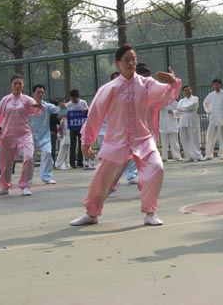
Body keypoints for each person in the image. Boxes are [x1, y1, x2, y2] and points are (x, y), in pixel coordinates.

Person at [70, 44, 181, 226]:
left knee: (156, 168)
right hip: (116, 141)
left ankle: (150, 212)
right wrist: (87, 141)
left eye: (134, 59)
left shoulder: (146, 84)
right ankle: (91, 214)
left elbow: (165, 94)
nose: (131, 63)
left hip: (143, 140)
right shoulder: (110, 88)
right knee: (101, 179)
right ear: (118, 63)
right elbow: (95, 114)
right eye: (127, 60)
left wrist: (172, 82)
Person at [0, 74, 44, 196]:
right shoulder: (5, 100)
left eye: (20, 84)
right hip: (8, 134)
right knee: (6, 162)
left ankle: (25, 185)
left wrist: (39, 106)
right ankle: (4, 186)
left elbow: (36, 111)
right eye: (15, 83)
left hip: (24, 133)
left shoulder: (27, 100)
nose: (18, 86)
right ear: (11, 85)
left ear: (23, 86)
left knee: (29, 157)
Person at [28, 84, 66, 184]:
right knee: (29, 158)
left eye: (42, 92)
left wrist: (63, 107)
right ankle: (27, 178)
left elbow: (59, 110)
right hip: (30, 136)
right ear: (33, 93)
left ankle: (47, 177)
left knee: (48, 153)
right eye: (38, 92)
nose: (40, 94)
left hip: (44, 137)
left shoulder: (47, 106)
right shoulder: (27, 105)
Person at [203, 78, 223, 160]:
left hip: (222, 118)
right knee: (210, 136)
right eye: (214, 84)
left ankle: (222, 154)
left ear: (221, 85)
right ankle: (208, 154)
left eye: (217, 84)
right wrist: (208, 111)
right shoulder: (210, 95)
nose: (216, 86)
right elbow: (205, 104)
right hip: (213, 118)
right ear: (213, 85)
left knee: (222, 137)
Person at [177, 85, 204, 161]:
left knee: (194, 139)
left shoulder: (195, 99)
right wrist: (185, 109)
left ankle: (198, 156)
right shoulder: (181, 101)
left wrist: (183, 109)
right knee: (184, 139)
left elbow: (192, 107)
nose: (187, 91)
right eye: (185, 90)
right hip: (183, 121)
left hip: (192, 121)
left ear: (191, 90)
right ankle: (188, 156)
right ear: (183, 92)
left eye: (188, 90)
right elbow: (178, 109)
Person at [66, 89, 88, 168]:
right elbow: (65, 114)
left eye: (75, 98)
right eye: (72, 98)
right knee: (73, 145)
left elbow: (88, 110)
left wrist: (85, 110)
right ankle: (72, 162)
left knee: (81, 144)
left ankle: (80, 162)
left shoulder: (83, 102)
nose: (74, 100)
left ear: (78, 97)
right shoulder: (68, 104)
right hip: (73, 127)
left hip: (81, 127)